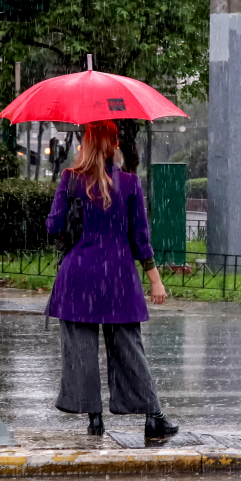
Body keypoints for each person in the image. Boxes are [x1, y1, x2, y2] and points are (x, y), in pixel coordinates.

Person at [46, 121, 179, 438]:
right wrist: (155, 280)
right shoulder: (130, 183)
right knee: (129, 349)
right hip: (118, 278)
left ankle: (94, 418)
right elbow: (140, 238)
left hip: (78, 276)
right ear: (114, 145)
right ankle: (153, 416)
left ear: (86, 144)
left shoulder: (71, 179)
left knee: (80, 350)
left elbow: (53, 227)